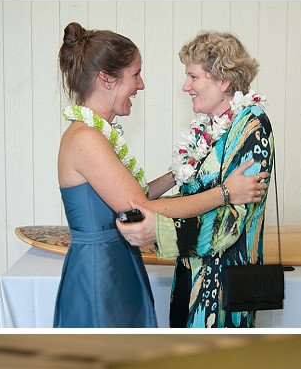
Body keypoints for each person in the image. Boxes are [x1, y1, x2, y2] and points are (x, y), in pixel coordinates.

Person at [54, 23, 268, 328]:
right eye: (135, 74)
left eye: (193, 76)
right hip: (100, 271)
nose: (140, 85)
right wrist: (225, 193)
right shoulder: (86, 138)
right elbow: (139, 207)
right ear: (106, 78)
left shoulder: (95, 133)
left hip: (120, 260)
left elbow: (134, 194)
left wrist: (178, 173)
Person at [117, 32, 273, 328]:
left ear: (223, 81)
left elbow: (231, 225)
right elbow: (198, 196)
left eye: (193, 77)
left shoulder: (252, 126)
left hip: (224, 286)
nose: (186, 87)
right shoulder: (210, 128)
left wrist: (159, 231)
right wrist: (146, 205)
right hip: (191, 275)